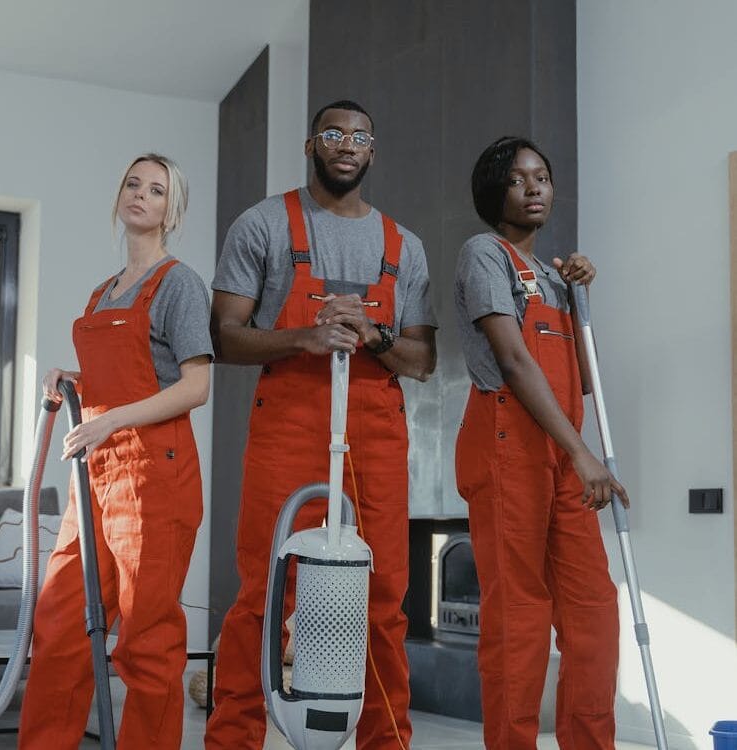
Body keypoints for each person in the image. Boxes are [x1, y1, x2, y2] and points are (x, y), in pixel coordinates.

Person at [205, 99, 437, 749]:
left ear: (372, 151)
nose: (346, 144)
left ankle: (385, 740)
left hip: (375, 428)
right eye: (333, 133)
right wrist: (305, 336)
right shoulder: (263, 224)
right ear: (311, 145)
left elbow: (422, 359)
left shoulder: (404, 246)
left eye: (360, 136)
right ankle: (232, 739)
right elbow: (224, 337)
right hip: (289, 421)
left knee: (384, 597)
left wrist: (374, 332)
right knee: (264, 589)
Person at [18, 153, 213, 749]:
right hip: (96, 468)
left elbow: (195, 386)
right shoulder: (105, 292)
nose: (140, 195)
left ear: (170, 211)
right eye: (133, 184)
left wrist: (113, 422)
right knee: (59, 620)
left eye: (156, 190)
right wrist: (71, 378)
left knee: (146, 637)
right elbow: (120, 376)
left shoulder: (178, 282)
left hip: (154, 472)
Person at [453, 136, 629, 750]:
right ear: (493, 191)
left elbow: (585, 378)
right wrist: (583, 455)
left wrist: (583, 300)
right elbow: (513, 359)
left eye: (543, 177)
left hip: (559, 456)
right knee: (518, 619)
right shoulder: (485, 254)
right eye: (518, 179)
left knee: (594, 614)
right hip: (507, 447)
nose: (534, 188)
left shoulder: (555, 280)